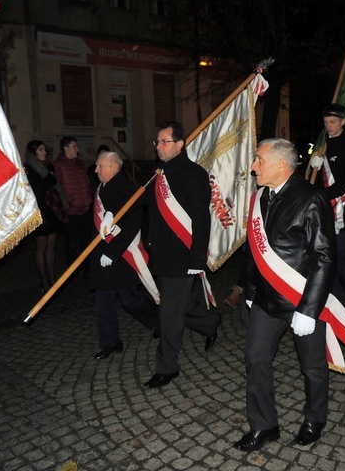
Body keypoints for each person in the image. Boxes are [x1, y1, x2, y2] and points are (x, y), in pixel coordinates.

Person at [233, 138, 336, 452]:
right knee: (256, 360)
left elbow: (323, 257)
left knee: (313, 366)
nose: (254, 167)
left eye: (259, 160)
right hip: (265, 300)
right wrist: (250, 290)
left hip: (300, 300)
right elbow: (253, 250)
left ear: (281, 164)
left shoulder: (311, 198)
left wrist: (309, 308)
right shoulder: (260, 197)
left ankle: (314, 419)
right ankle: (264, 425)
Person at [143, 121, 221, 389]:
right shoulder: (157, 175)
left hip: (181, 256)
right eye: (157, 142)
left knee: (169, 314)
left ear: (180, 144)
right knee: (176, 305)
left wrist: (197, 258)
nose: (159, 146)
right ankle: (210, 322)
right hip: (160, 254)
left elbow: (201, 218)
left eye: (165, 141)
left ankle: (167, 367)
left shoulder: (193, 174)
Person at [91, 151, 160, 360]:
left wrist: (112, 252)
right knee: (103, 301)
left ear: (114, 167)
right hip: (103, 253)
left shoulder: (129, 190)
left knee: (131, 299)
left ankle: (159, 320)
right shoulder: (102, 186)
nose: (96, 170)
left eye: (100, 166)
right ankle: (110, 342)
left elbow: (130, 227)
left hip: (121, 254)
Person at [309, 103, 345, 305]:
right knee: (324, 252)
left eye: (332, 122)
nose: (328, 126)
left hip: (342, 207)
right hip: (322, 206)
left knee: (338, 251)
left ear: (343, 122)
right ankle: (333, 293)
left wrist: (323, 194)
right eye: (325, 122)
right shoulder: (322, 145)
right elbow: (313, 177)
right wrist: (313, 162)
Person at [23, 140, 69, 292]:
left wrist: (49, 178)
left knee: (52, 244)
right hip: (39, 210)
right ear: (34, 152)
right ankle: (43, 279)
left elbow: (54, 182)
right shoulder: (28, 168)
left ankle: (52, 277)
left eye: (44, 149)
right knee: (41, 245)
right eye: (41, 149)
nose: (45, 152)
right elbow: (40, 186)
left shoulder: (48, 166)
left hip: (52, 209)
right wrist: (48, 178)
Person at [53, 136, 94, 278]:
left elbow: (86, 183)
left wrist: (89, 200)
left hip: (84, 209)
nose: (77, 149)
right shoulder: (59, 165)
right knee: (71, 243)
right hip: (70, 211)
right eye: (74, 146)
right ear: (66, 148)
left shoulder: (80, 164)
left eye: (77, 146)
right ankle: (72, 272)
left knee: (86, 242)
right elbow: (56, 188)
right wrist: (66, 204)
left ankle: (87, 269)